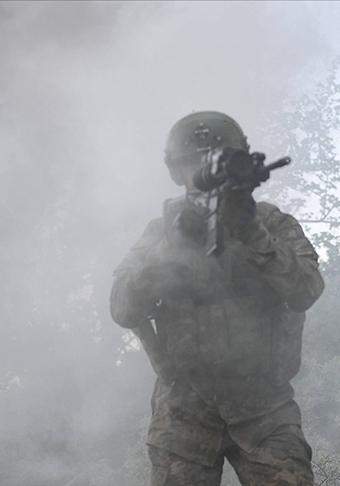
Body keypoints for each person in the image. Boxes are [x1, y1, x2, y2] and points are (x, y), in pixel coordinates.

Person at [110, 111, 324, 485]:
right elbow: (123, 308)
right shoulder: (161, 231)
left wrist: (250, 230)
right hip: (184, 410)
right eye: (192, 165)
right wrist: (171, 248)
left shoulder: (271, 224)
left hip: (263, 408)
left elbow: (306, 289)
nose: (202, 174)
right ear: (177, 173)